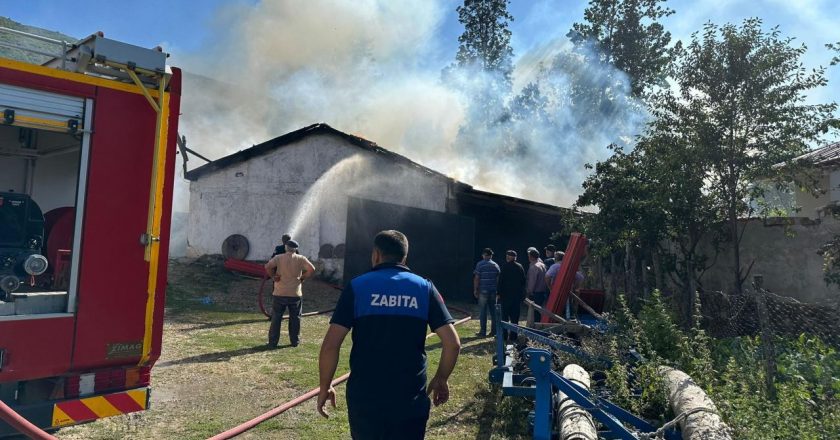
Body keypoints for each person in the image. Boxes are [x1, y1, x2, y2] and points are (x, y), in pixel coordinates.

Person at [317, 230, 461, 439]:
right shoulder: (424, 287)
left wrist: (325, 386)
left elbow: (331, 345)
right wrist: (441, 378)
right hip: (409, 398)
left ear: (376, 254)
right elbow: (453, 344)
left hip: (365, 398)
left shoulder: (357, 287)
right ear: (404, 257)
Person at [264, 239, 315, 348]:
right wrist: (302, 278)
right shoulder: (301, 259)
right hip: (295, 293)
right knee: (295, 318)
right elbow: (311, 269)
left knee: (276, 318)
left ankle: (272, 342)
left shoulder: (278, 257)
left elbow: (267, 266)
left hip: (279, 292)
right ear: (296, 249)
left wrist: (273, 277)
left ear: (286, 247)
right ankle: (294, 341)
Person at [497, 250, 526, 341]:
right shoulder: (520, 267)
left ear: (508, 257)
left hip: (505, 297)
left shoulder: (505, 267)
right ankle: (514, 336)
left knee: (504, 317)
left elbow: (500, 281)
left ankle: (504, 336)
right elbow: (523, 281)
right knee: (515, 318)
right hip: (516, 297)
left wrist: (498, 293)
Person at [473, 248, 500, 337]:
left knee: (482, 311)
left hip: (483, 290)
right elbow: (498, 279)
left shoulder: (480, 264)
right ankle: (494, 331)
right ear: (491, 255)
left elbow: (477, 278)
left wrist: (475, 289)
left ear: (484, 255)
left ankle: (483, 332)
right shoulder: (495, 265)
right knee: (493, 312)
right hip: (493, 291)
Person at [526, 248, 548, 323]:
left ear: (531, 257)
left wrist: (529, 292)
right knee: (540, 311)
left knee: (535, 313)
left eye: (528, 255)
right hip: (543, 292)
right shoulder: (543, 265)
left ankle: (536, 329)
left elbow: (532, 281)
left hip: (535, 293)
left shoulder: (534, 267)